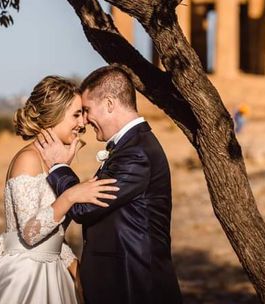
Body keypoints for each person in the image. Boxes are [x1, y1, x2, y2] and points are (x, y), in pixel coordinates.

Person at [0, 76, 119, 304]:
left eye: (83, 114)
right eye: (76, 114)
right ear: (53, 115)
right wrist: (72, 194)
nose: (82, 123)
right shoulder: (28, 159)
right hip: (26, 277)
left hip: (53, 273)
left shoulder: (52, 164)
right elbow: (30, 233)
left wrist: (73, 266)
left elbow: (54, 233)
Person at [35, 65, 183, 304]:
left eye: (87, 110)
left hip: (135, 286)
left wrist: (58, 167)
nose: (84, 120)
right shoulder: (131, 147)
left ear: (110, 104)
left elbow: (84, 207)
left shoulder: (136, 153)